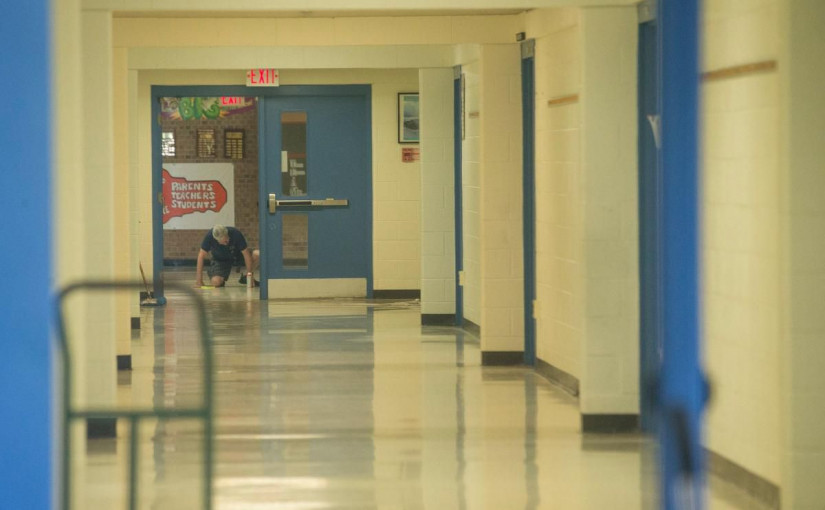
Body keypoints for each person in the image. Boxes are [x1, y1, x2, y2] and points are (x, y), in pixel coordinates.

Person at [195, 224, 260, 288]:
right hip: (220, 260)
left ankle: (246, 277)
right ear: (217, 240)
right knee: (216, 282)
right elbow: (201, 256)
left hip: (237, 255)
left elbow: (246, 254)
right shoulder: (209, 237)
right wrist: (199, 281)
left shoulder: (236, 233)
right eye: (224, 241)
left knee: (258, 254)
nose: (227, 242)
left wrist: (250, 275)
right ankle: (220, 278)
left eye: (227, 239)